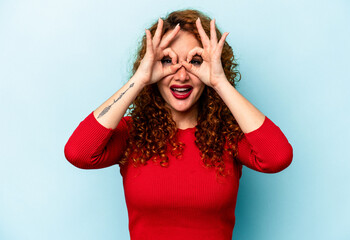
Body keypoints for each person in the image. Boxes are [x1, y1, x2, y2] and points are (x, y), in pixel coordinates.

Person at [64, 9, 293, 240]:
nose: (182, 76)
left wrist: (219, 81)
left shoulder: (228, 136)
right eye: (167, 61)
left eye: (195, 62)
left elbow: (278, 157)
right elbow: (78, 153)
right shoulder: (132, 133)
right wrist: (140, 79)